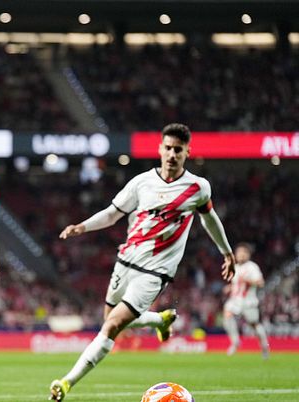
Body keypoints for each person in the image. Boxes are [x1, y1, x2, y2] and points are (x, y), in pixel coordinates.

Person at [49, 123, 235, 401]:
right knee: (108, 319)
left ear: (187, 152)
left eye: (178, 150)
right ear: (160, 149)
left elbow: (210, 220)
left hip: (156, 270)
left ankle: (66, 382)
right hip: (126, 260)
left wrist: (227, 252)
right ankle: (159, 321)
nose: (172, 154)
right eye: (169, 148)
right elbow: (113, 214)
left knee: (111, 325)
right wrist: (82, 227)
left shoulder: (198, 188)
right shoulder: (142, 182)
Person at [223, 242, 270, 358]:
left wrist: (249, 281)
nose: (241, 255)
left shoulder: (252, 267)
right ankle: (235, 342)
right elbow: (237, 283)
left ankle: (264, 346)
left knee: (253, 324)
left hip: (249, 301)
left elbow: (261, 283)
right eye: (239, 253)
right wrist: (230, 287)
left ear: (248, 255)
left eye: (244, 253)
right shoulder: (235, 267)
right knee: (227, 314)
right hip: (235, 300)